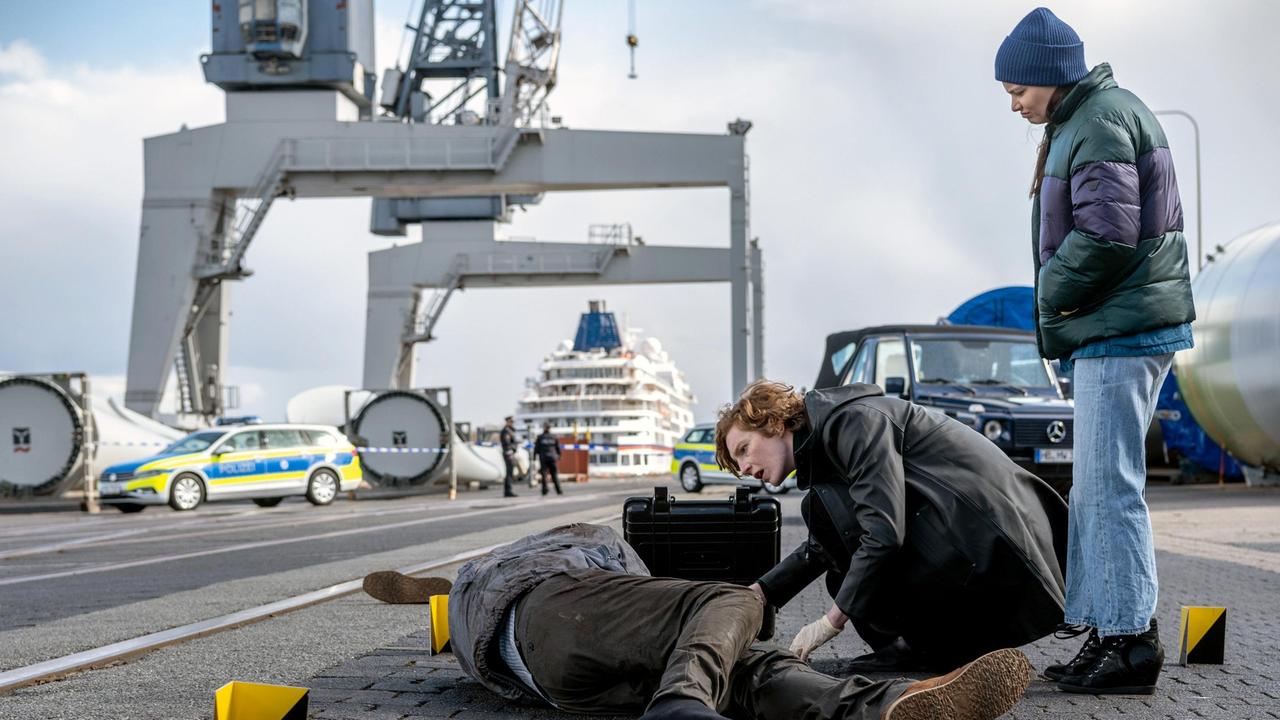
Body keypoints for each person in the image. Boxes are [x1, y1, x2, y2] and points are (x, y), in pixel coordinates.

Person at [994, 7, 1195, 694]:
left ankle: (1131, 644)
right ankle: (1110, 631)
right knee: (1100, 488)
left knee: (1110, 490)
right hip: (1116, 326)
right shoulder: (1086, 118)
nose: (1013, 100)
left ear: (1048, 75)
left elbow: (1108, 235)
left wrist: (1049, 291)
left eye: (1016, 86)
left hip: (1120, 328)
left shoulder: (1100, 118)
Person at [444, 522, 1033, 720]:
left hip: (553, 681)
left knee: (743, 671)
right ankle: (680, 701)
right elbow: (629, 570)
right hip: (555, 613)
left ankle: (886, 705)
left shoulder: (469, 598)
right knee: (730, 601)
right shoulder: (559, 551)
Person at [715, 380, 1069, 673]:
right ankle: (914, 650)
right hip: (967, 540)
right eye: (737, 463)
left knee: (848, 557)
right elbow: (823, 545)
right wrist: (761, 593)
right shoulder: (828, 439)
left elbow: (883, 533)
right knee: (825, 520)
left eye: (744, 449)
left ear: (774, 423)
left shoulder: (852, 422)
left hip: (995, 546)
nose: (745, 467)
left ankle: (928, 651)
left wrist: (830, 622)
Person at [533, 423, 563, 496]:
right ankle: (559, 490)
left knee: (544, 475)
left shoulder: (540, 437)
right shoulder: (554, 437)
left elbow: (536, 448)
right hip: (552, 458)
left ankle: (545, 490)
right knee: (554, 475)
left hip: (544, 458)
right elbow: (558, 448)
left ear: (544, 428)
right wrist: (559, 456)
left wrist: (534, 457)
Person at [499, 416, 519, 498]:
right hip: (509, 453)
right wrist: (511, 450)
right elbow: (507, 444)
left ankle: (508, 490)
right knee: (509, 472)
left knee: (510, 472)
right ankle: (508, 491)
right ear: (508, 422)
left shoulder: (509, 431)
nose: (512, 423)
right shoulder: (506, 431)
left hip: (510, 453)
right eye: (511, 422)